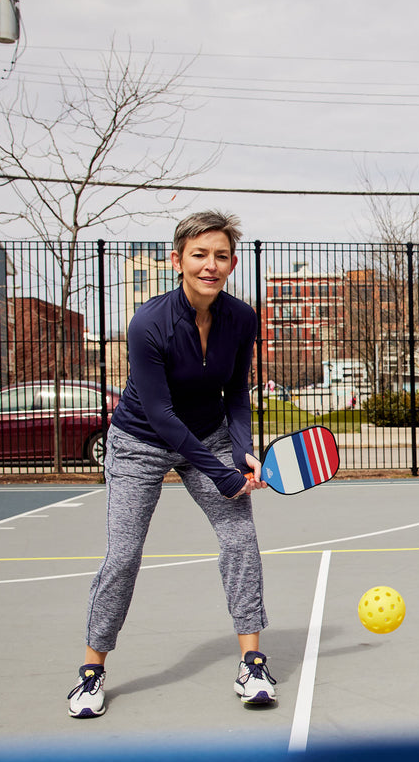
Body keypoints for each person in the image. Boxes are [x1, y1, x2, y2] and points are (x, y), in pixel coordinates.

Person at [67, 210, 275, 719]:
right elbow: (160, 414)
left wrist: (243, 448)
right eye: (200, 254)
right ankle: (91, 671)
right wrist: (222, 472)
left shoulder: (242, 318)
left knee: (240, 541)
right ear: (176, 259)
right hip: (141, 440)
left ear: (231, 262)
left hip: (208, 434)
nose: (211, 265)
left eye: (221, 256)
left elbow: (237, 395)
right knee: (123, 556)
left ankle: (252, 662)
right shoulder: (149, 322)